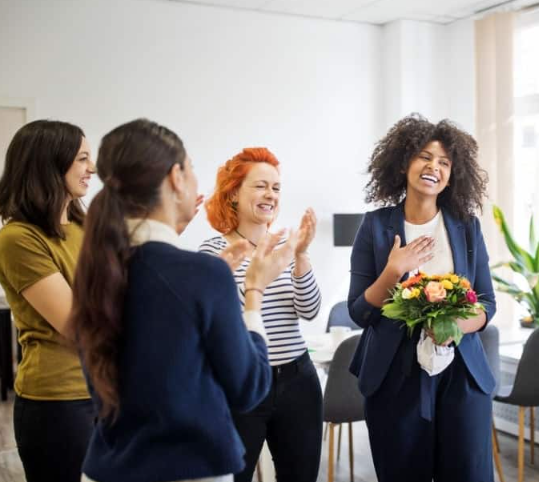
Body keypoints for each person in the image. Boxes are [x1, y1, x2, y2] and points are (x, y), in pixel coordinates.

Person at [71, 119, 288, 482]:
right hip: (189, 469)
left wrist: (209, 282)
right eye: (192, 170)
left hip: (106, 468)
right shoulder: (201, 274)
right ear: (176, 177)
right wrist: (254, 293)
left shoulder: (96, 270)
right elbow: (249, 388)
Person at [348, 114, 496, 482]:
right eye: (424, 157)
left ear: (453, 174)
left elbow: (487, 303)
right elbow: (359, 312)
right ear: (403, 163)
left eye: (444, 162)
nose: (434, 167)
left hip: (461, 373)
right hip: (394, 377)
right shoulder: (375, 226)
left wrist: (455, 325)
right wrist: (392, 271)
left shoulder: (466, 227)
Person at [200, 147, 322, 482]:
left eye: (276, 187)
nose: (271, 194)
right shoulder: (214, 252)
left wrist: (301, 255)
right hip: (242, 384)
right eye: (260, 186)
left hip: (298, 381)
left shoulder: (286, 247)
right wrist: (257, 281)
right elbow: (217, 321)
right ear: (234, 194)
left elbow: (310, 310)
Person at [0, 120, 95, 482]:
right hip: (59, 402)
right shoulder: (18, 238)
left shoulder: (84, 226)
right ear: (49, 162)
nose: (93, 168)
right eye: (83, 158)